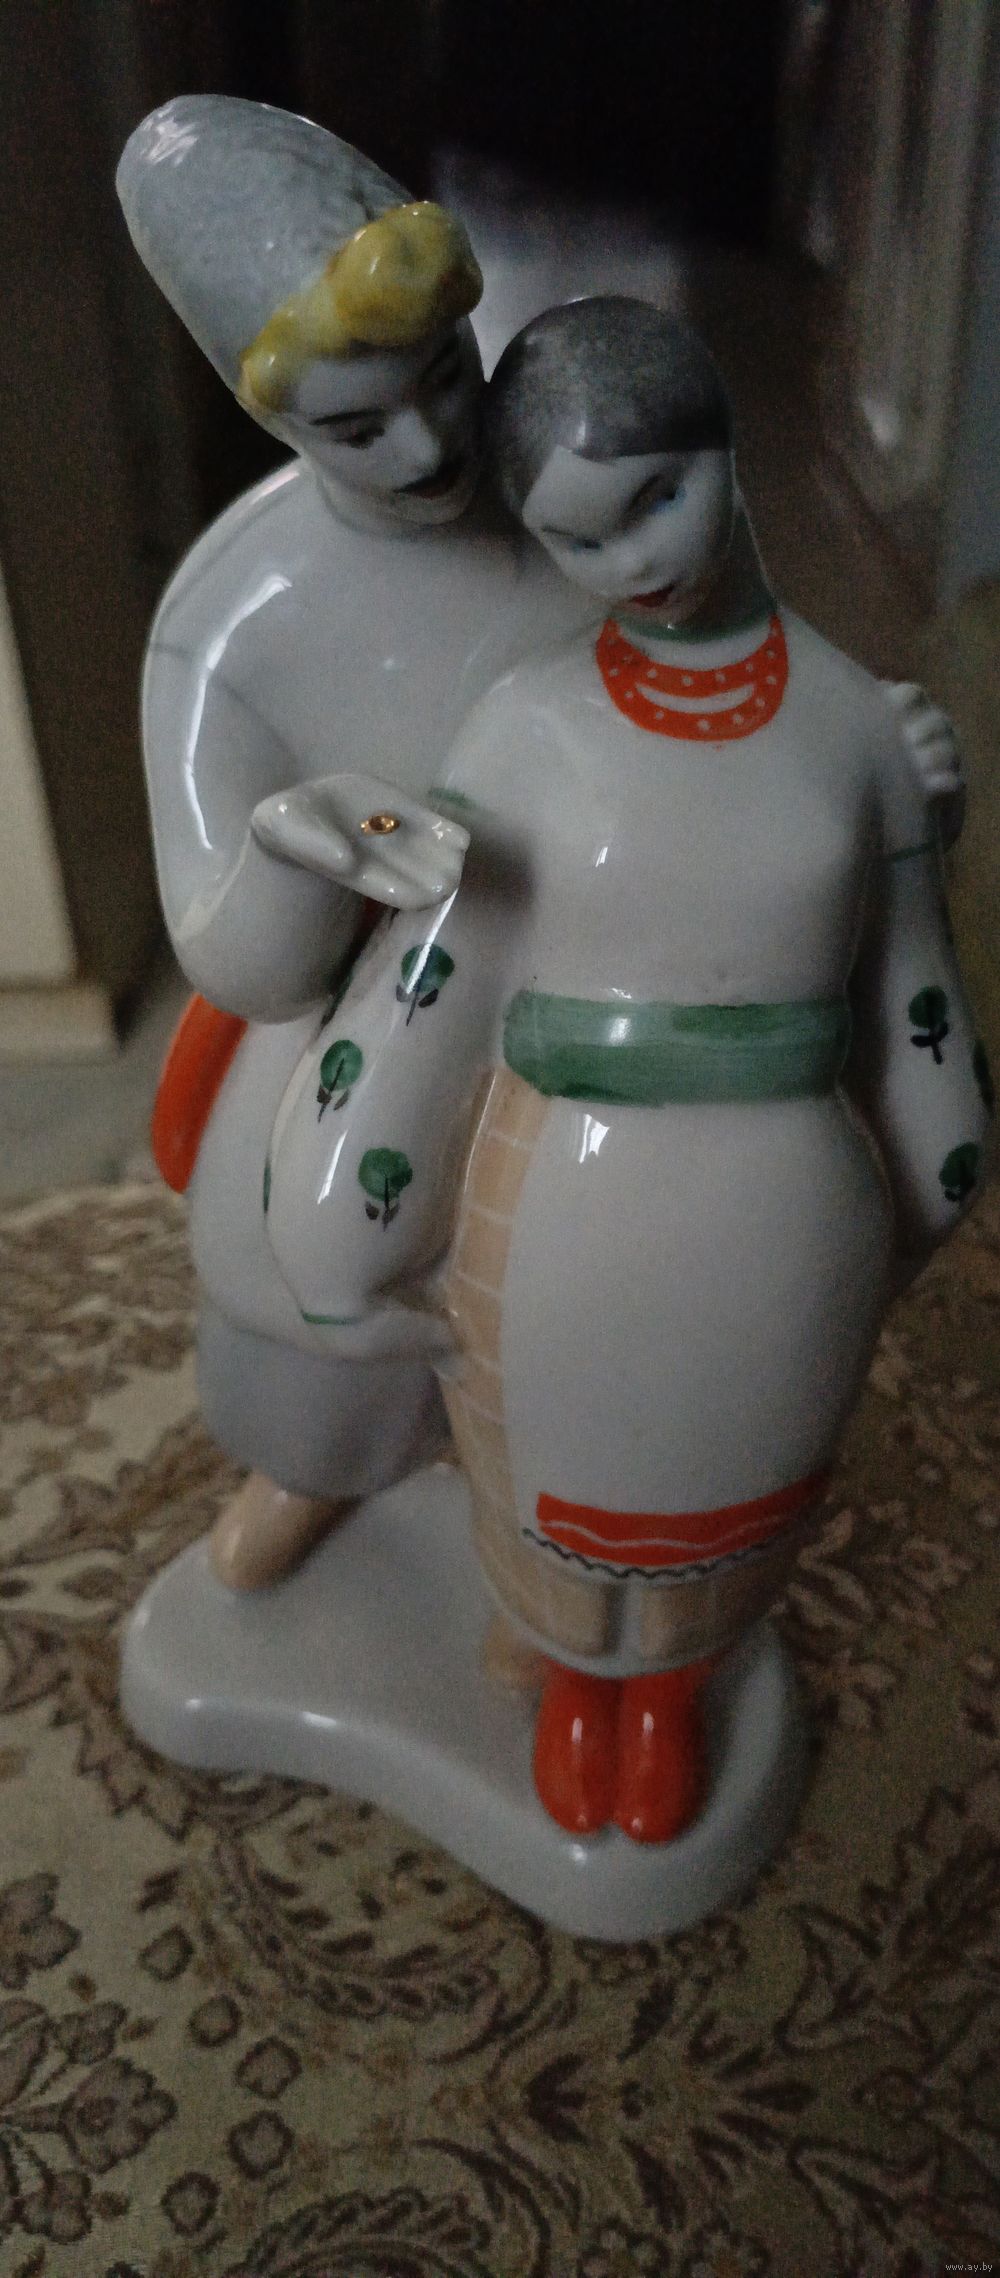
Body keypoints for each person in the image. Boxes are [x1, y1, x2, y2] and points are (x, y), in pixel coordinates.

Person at [264, 297, 991, 1845]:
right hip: (558, 1192)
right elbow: (440, 972)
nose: (635, 558)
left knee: (731, 1463)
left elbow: (910, 975)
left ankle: (666, 1689)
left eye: (660, 494)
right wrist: (347, 1200)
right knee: (556, 1459)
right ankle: (570, 1674)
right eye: (578, 537)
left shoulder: (859, 724)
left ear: (725, 445)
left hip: (786, 1202)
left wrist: (941, 1158)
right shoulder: (525, 724)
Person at [117, 95, 597, 1587]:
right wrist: (292, 850)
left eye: (447, 377)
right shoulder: (229, 622)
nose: (431, 445)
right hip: (348, 1010)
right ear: (266, 417)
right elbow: (235, 955)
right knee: (313, 1260)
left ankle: (573, 1527)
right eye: (355, 425)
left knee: (605, 1290)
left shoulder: (574, 483)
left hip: (589, 961)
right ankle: (324, 1467)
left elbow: (710, 629)